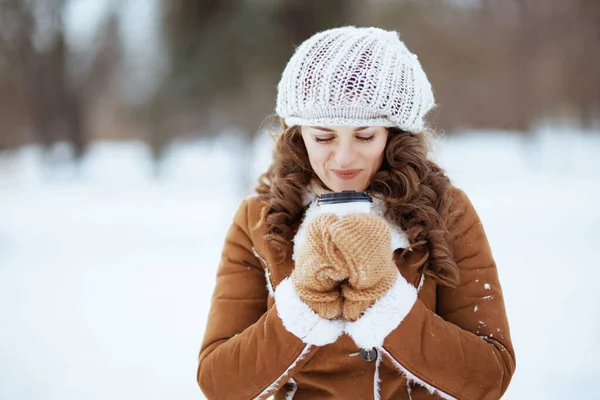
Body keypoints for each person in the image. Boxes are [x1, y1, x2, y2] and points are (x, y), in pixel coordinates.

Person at [196, 26, 515, 400]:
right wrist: (302, 304)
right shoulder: (257, 220)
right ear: (298, 134)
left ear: (395, 135)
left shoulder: (448, 213)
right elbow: (219, 383)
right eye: (323, 137)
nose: (344, 159)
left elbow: (490, 375)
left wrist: (388, 302)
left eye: (365, 136)